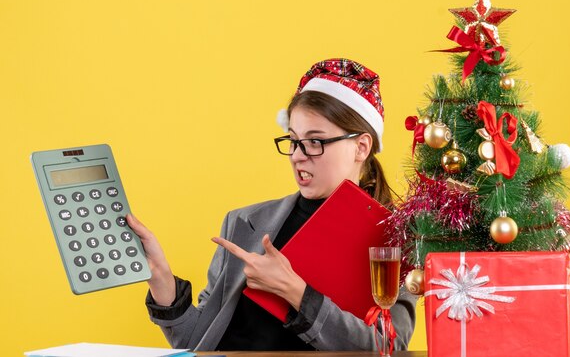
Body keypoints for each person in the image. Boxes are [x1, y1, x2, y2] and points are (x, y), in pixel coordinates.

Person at [127, 58, 417, 351]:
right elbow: (196, 342)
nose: (297, 156)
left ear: (361, 146)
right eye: (293, 140)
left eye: (315, 142)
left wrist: (297, 294)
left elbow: (388, 347)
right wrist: (161, 279)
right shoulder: (244, 222)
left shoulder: (397, 237)